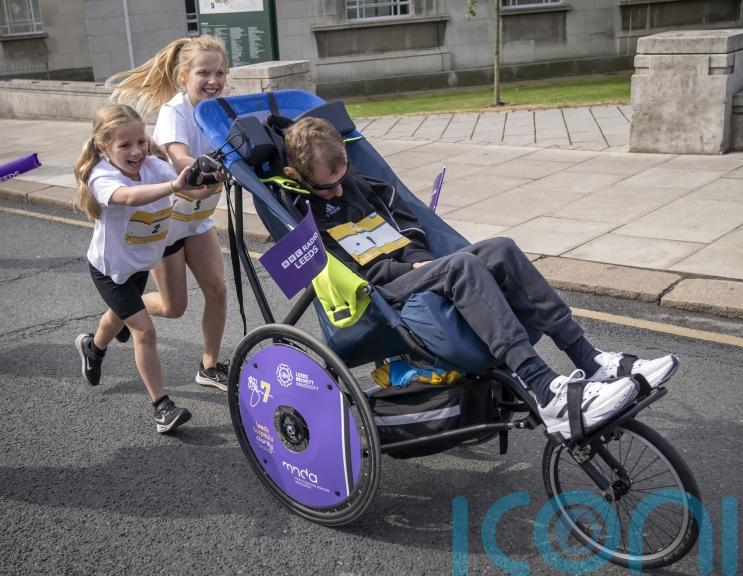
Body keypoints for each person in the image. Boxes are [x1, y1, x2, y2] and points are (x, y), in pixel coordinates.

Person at [281, 117, 679, 439]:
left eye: (341, 176)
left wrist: (418, 259)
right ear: (295, 174)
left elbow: (408, 225)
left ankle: (590, 359)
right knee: (462, 266)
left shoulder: (362, 183)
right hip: (373, 292)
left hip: (412, 271)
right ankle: (544, 388)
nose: (336, 190)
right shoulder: (300, 212)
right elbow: (339, 271)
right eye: (324, 185)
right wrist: (408, 269)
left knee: (501, 247)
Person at [73, 104, 216, 433]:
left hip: (140, 265)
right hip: (108, 270)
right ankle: (162, 407)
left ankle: (92, 348)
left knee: (118, 316)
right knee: (144, 331)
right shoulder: (102, 175)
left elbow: (191, 187)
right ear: (102, 146)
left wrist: (208, 179)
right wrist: (174, 187)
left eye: (140, 141)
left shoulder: (154, 166)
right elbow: (128, 197)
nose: (136, 151)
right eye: (125, 145)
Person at [105, 36, 229, 392]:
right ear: (183, 76)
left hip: (198, 218)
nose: (213, 80)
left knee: (217, 289)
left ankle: (209, 365)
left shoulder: (219, 109)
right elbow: (180, 158)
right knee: (173, 307)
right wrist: (200, 170)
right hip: (168, 224)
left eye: (220, 72)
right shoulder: (176, 111)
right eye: (204, 72)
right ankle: (112, 324)